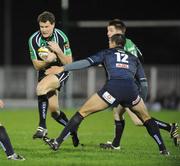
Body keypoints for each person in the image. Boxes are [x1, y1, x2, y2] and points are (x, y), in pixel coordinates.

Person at [43, 34, 170, 155]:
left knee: (82, 113)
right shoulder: (133, 58)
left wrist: (62, 68)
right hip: (131, 91)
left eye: (109, 41)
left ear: (113, 43)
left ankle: (57, 142)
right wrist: (140, 100)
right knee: (146, 119)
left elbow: (86, 62)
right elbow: (143, 83)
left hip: (112, 90)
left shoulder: (107, 53)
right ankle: (163, 149)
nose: (108, 43)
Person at [99, 19, 179, 149]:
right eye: (108, 30)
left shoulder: (127, 45)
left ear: (120, 32)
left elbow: (132, 64)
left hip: (130, 88)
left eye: (111, 30)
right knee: (117, 112)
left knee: (138, 120)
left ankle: (170, 127)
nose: (108, 33)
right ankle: (116, 144)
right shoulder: (122, 44)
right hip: (128, 86)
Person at [28, 11, 79, 146]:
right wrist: (47, 60)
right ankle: (72, 130)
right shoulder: (33, 40)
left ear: (53, 25)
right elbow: (36, 66)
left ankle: (42, 127)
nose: (44, 30)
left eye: (47, 27)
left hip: (61, 70)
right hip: (45, 72)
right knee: (54, 112)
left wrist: (57, 53)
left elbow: (69, 63)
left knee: (40, 88)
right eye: (41, 27)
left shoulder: (61, 37)